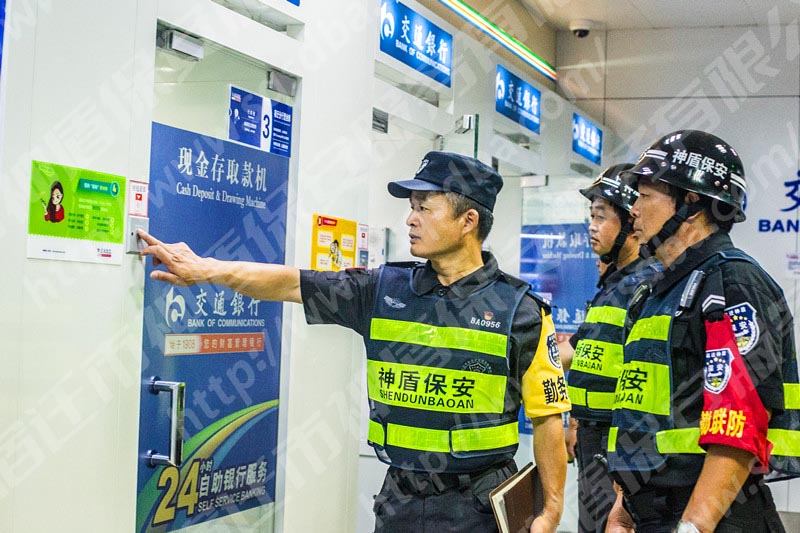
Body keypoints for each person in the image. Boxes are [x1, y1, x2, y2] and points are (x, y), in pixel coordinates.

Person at [138, 151, 571, 533]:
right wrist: (208, 270)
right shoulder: (382, 289)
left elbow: (548, 418)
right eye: (411, 208)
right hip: (399, 500)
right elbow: (291, 283)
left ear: (468, 221)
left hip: (477, 507)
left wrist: (551, 509)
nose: (410, 219)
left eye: (424, 208)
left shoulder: (521, 312)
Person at [604, 130, 800, 532]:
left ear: (691, 203)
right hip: (654, 512)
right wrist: (625, 505)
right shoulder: (658, 290)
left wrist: (694, 526)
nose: (633, 210)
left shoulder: (730, 283)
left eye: (645, 195)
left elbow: (738, 425)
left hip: (710, 518)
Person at [559, 164, 661, 533]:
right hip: (593, 439)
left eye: (600, 217)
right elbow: (581, 353)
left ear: (631, 222)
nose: (592, 226)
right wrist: (574, 421)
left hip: (618, 443)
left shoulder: (648, 285)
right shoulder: (614, 284)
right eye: (591, 216)